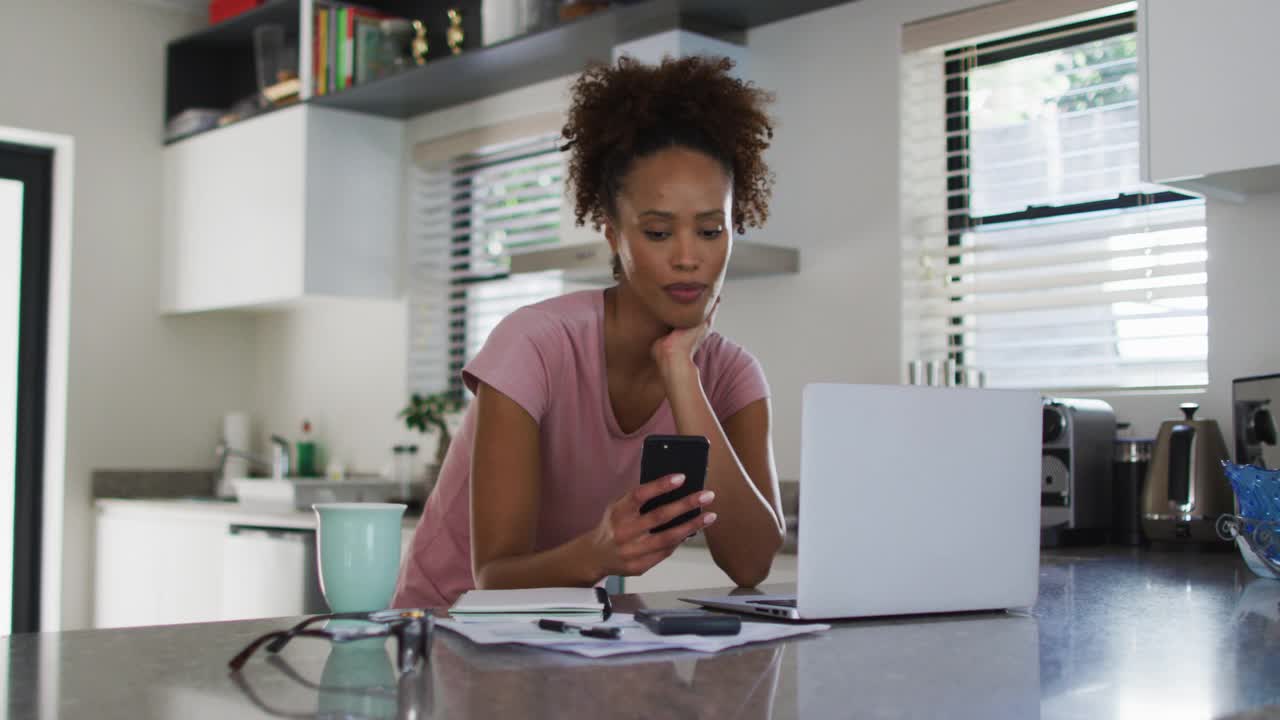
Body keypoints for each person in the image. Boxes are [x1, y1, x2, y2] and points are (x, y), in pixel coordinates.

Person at [392, 54, 785, 609]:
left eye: (710, 229)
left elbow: (751, 564)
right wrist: (599, 554)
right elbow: (493, 577)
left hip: (570, 636)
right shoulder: (534, 346)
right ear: (612, 235)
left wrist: (681, 371)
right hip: (444, 631)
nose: (688, 257)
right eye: (656, 231)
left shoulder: (732, 374)